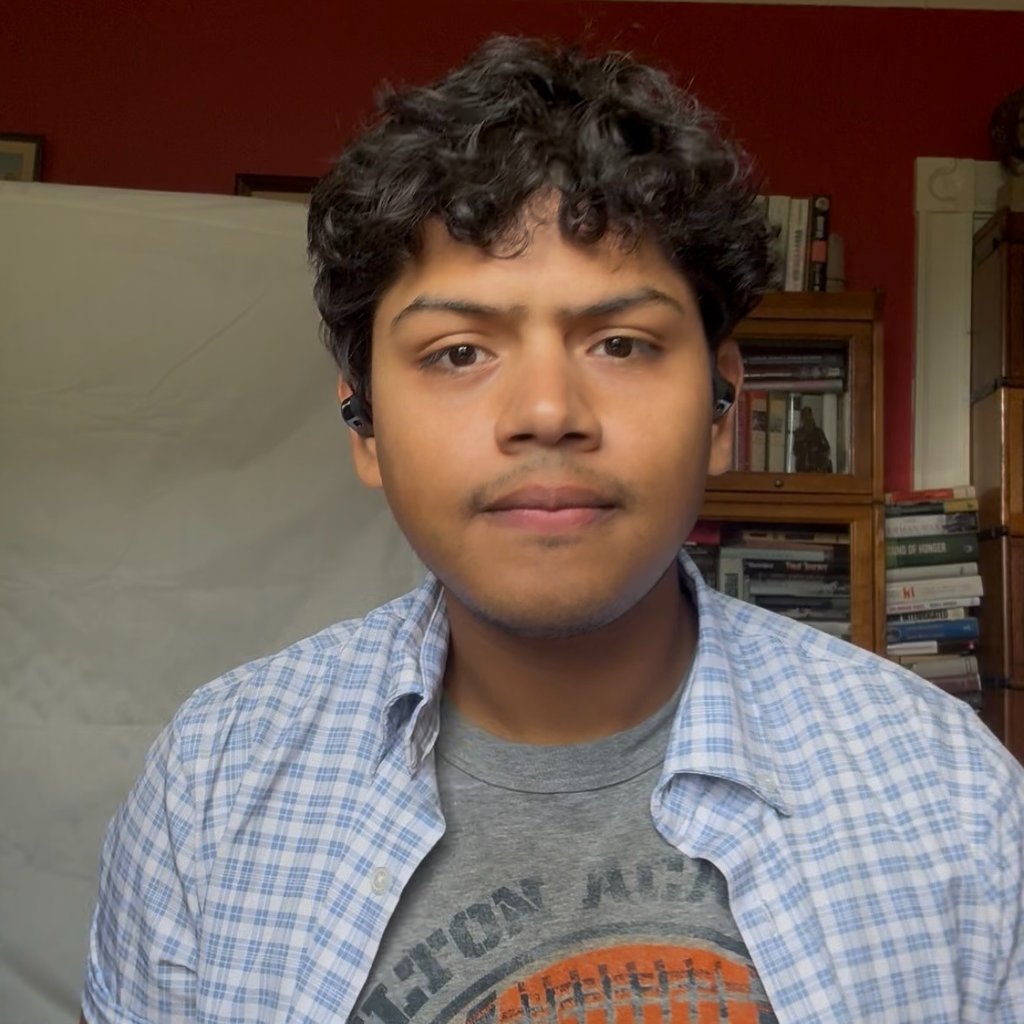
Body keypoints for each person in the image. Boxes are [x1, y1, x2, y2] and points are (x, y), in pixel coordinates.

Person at [80, 35, 1023, 1024]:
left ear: (720, 404)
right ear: (363, 424)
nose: (545, 409)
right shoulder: (214, 787)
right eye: (455, 352)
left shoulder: (948, 797)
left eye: (620, 342)